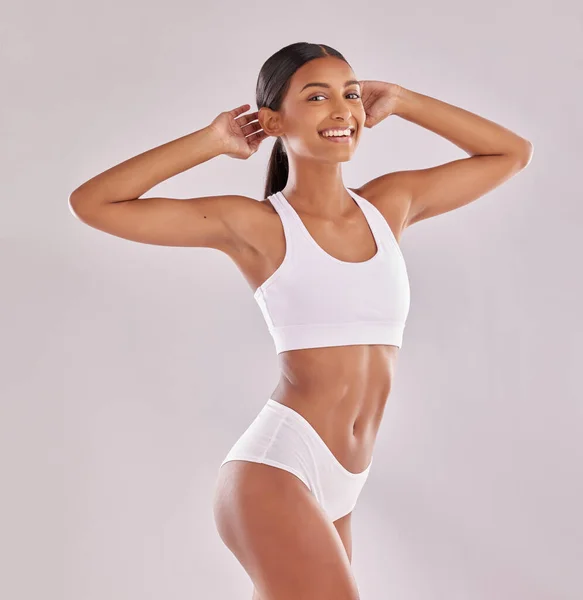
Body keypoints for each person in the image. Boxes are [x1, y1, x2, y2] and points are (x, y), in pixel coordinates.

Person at [69, 42, 533, 600]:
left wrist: (405, 101)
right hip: (276, 470)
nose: (342, 110)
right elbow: (94, 203)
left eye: (351, 94)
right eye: (317, 97)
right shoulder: (255, 225)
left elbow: (512, 153)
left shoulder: (391, 205)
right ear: (272, 121)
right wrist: (211, 142)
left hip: (342, 485)